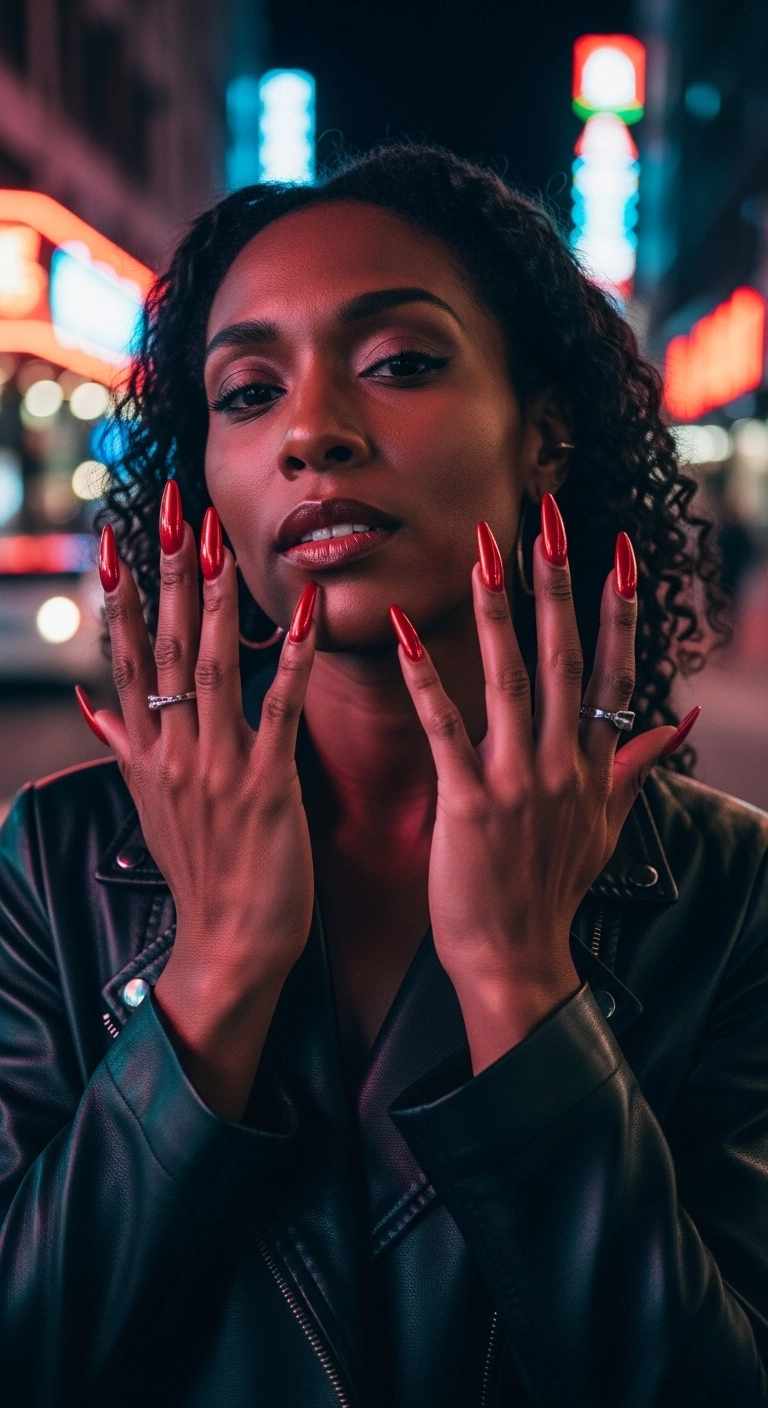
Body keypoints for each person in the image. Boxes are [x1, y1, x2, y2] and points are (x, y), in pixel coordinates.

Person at [0, 143, 766, 1408]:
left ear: (545, 438)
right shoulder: (61, 859)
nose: (313, 432)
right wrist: (211, 976)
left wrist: (522, 986)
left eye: (400, 363)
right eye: (247, 392)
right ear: (209, 487)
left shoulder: (724, 884)